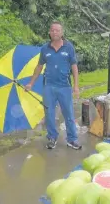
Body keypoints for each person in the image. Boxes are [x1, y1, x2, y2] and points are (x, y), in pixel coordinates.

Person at [25, 21, 82, 150]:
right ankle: (52, 138)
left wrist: (76, 86)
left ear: (62, 33)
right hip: (49, 86)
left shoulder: (69, 47)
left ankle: (72, 139)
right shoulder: (45, 49)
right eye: (53, 30)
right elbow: (39, 66)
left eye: (57, 30)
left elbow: (74, 66)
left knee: (68, 114)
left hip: (64, 86)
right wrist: (31, 83)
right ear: (49, 32)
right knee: (49, 114)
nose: (55, 32)